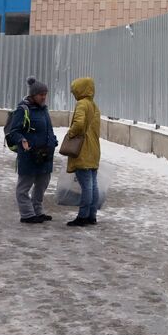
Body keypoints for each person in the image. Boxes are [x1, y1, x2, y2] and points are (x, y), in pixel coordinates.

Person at [5, 77, 58, 225]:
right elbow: (14, 131)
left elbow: (49, 129)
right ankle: (27, 214)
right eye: (41, 94)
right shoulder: (23, 110)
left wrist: (53, 141)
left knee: (42, 184)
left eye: (45, 94)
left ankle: (37, 211)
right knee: (24, 187)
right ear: (33, 95)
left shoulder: (44, 110)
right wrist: (22, 140)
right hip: (29, 155)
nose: (44, 97)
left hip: (44, 154)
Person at [64, 76, 102, 227]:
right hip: (94, 149)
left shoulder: (81, 104)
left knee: (86, 186)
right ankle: (92, 215)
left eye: (74, 91)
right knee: (93, 185)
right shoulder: (94, 106)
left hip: (83, 150)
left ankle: (83, 216)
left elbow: (79, 124)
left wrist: (70, 134)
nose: (73, 94)